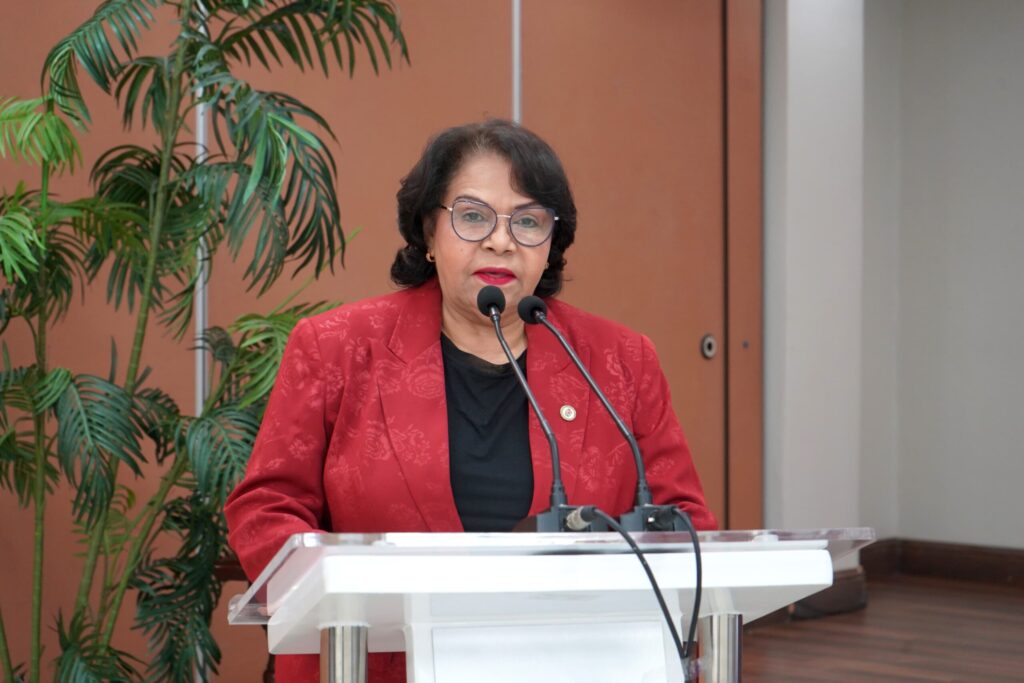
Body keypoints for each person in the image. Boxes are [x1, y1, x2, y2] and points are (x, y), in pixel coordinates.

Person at [225, 119, 717, 683]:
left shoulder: (619, 360)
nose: (501, 241)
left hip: (578, 660)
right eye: (474, 215)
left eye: (527, 221)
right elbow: (267, 508)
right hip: (377, 665)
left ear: (551, 244)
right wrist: (336, 598)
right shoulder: (337, 347)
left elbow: (684, 519)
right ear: (428, 231)